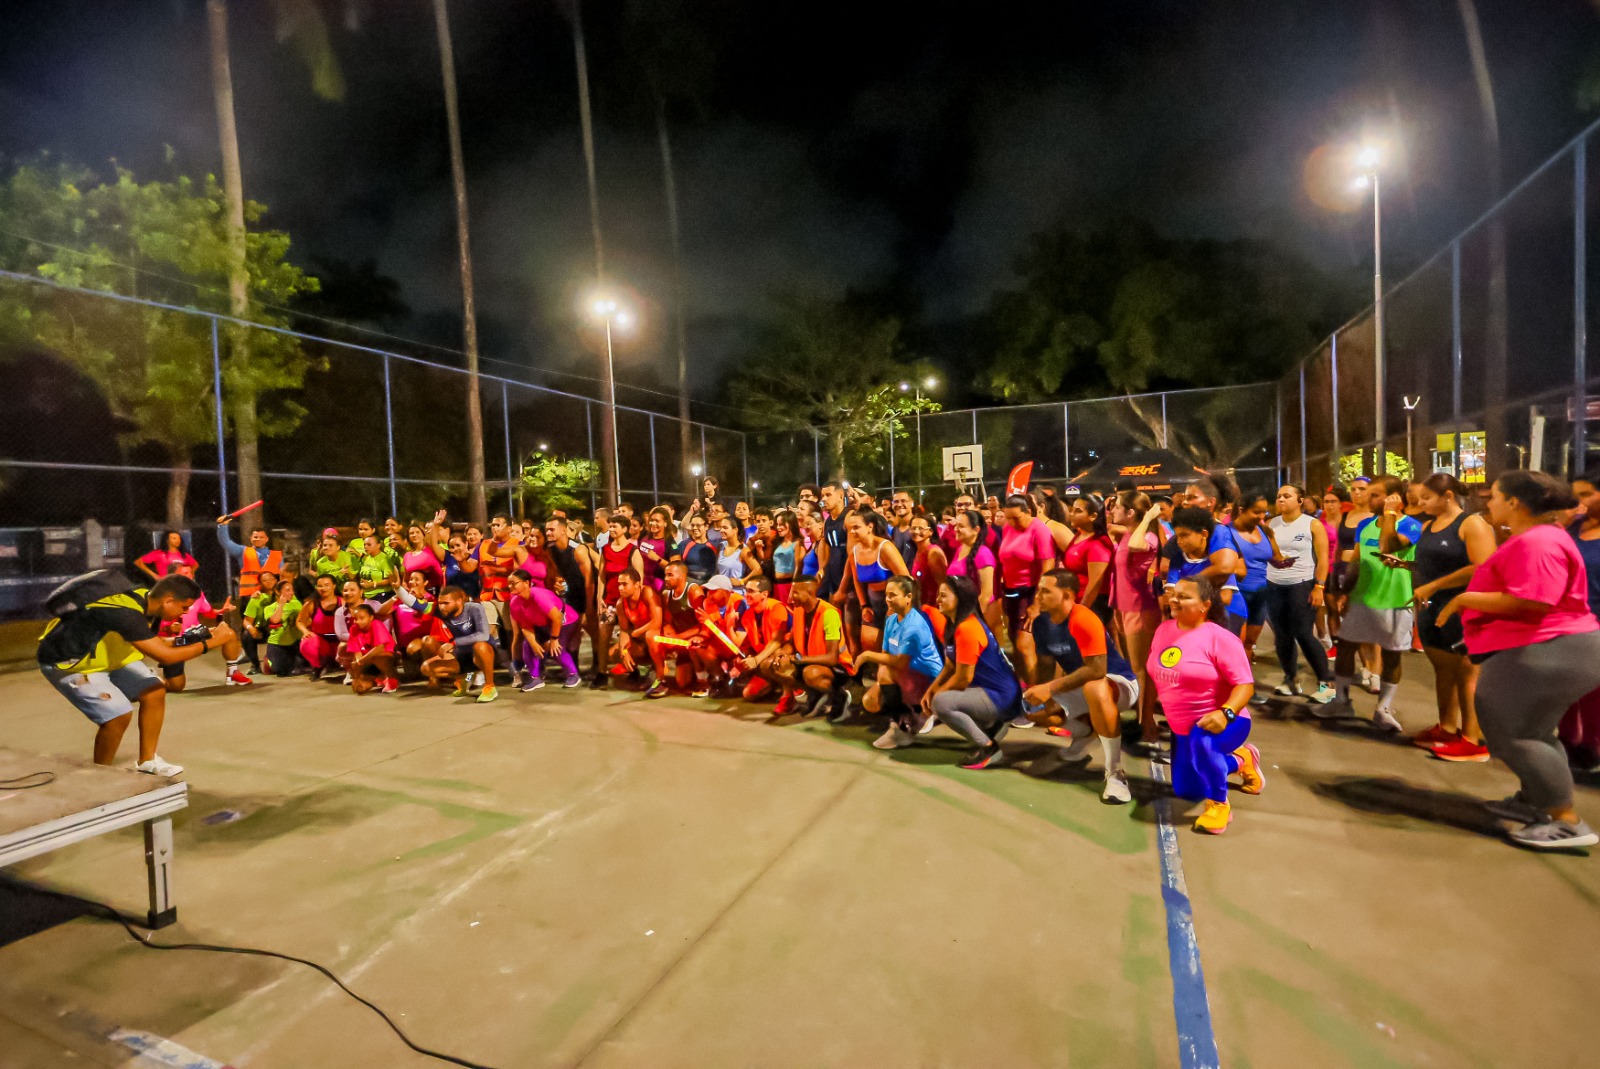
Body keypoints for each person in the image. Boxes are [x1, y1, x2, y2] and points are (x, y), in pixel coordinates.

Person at [1433, 472, 1600, 849]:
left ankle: (1566, 821)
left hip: (1550, 647)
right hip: (1550, 647)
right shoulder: (1539, 536)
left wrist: (1465, 599)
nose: (1488, 503)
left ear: (1515, 503)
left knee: (1516, 735)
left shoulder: (1539, 540)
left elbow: (1534, 601)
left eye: (1494, 496)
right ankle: (1536, 801)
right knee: (1533, 732)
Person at [38, 572, 236, 774]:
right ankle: (100, 775)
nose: (185, 613)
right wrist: (213, 642)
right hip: (71, 663)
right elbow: (166, 656)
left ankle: (147, 762)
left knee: (154, 691)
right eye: (184, 607)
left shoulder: (146, 601)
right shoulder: (125, 613)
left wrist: (201, 637)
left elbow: (156, 642)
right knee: (118, 715)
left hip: (109, 658)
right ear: (168, 601)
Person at [1147, 576, 1263, 834]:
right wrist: (1146, 715)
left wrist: (1225, 713)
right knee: (1187, 790)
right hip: (1182, 728)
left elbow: (1245, 686)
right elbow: (1154, 673)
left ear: (1205, 605)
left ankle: (1219, 805)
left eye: (1184, 596)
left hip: (1225, 721)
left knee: (1204, 743)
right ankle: (1241, 760)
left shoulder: (1220, 639)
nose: (1174, 600)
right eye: (1174, 594)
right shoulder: (1164, 630)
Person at [1023, 569, 1139, 803]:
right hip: (1079, 684)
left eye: (1045, 591)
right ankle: (1086, 733)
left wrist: (1051, 688)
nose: (1038, 596)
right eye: (1038, 591)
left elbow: (1097, 670)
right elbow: (1046, 666)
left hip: (1119, 684)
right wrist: (1041, 694)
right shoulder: (1042, 623)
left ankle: (1115, 773)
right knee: (1031, 710)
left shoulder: (1084, 619)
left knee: (1094, 688)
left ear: (1067, 595)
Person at [1408, 473, 1497, 761]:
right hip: (1432, 607)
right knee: (1443, 669)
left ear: (1447, 496)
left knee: (1467, 674)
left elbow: (1482, 566)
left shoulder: (1471, 524)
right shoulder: (1428, 526)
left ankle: (1473, 739)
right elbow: (1429, 563)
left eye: (1426, 498)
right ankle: (1447, 727)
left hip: (1463, 607)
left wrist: (1435, 585)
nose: (1421, 503)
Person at [1332, 475, 1421, 731]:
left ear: (1393, 497)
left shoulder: (1412, 526)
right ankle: (1341, 701)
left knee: (1392, 657)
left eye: (1374, 495)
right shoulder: (1365, 524)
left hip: (1396, 602)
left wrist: (1391, 514)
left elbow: (1389, 545)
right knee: (1345, 648)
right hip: (1362, 598)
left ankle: (1383, 709)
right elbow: (1357, 560)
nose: (1367, 499)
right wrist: (1345, 591)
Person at [922, 575, 1023, 770]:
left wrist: (936, 695)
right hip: (992, 692)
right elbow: (951, 666)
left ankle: (988, 747)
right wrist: (931, 690)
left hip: (1002, 696)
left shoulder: (968, 628)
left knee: (942, 703)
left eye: (944, 596)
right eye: (938, 595)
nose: (938, 600)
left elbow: (963, 678)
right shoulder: (954, 623)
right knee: (938, 698)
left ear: (960, 598)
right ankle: (992, 726)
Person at [1264, 484, 1336, 704]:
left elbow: (1323, 559)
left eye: (1287, 496)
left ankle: (1326, 683)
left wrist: (1319, 586)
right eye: (1278, 496)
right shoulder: (1270, 524)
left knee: (1303, 633)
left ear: (1300, 500)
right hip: (1274, 585)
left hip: (1302, 585)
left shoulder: (1312, 524)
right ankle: (1291, 679)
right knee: (1282, 635)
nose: (1281, 499)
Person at [856, 574, 945, 749]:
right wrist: (880, 685)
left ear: (908, 597)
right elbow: (885, 654)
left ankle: (910, 720)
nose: (887, 599)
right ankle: (905, 717)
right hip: (906, 676)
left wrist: (866, 656)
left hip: (928, 681)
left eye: (893, 595)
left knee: (886, 673)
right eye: (886, 595)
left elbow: (899, 662)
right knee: (871, 700)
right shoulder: (891, 620)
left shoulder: (915, 625)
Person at [1109, 493, 1165, 744]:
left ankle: (1147, 722)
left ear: (1131, 513)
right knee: (1135, 667)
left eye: (1117, 507)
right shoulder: (1129, 534)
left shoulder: (1146, 537)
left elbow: (1136, 545)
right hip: (1125, 608)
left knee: (1141, 670)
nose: (1113, 511)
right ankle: (1141, 719)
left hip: (1141, 609)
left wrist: (1150, 516)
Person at [1559, 476, 1600, 770]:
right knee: (1564, 684)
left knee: (1593, 688)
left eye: (1586, 494)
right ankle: (1567, 739)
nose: (1579, 501)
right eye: (1574, 496)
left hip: (1595, 620)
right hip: (1565, 619)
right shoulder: (1572, 528)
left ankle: (1591, 745)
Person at [997, 493, 1056, 673]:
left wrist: (1037, 603)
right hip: (1011, 592)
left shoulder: (1039, 530)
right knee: (1014, 640)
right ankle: (1022, 682)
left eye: (1016, 518)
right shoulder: (1008, 528)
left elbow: (1048, 566)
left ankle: (1035, 685)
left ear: (1028, 512)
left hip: (1030, 591)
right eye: (1008, 518)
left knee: (1025, 644)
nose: (1012, 522)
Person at [781, 573, 852, 720]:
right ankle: (815, 693)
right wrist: (783, 654)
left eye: (795, 592)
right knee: (775, 665)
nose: (791, 597)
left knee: (810, 673)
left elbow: (832, 658)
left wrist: (800, 659)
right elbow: (791, 642)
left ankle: (839, 696)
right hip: (809, 662)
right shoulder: (799, 610)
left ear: (810, 593)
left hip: (837, 668)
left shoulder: (829, 614)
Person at [422, 586, 500, 703]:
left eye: (446, 603)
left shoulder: (475, 608)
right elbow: (415, 604)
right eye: (440, 603)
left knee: (480, 646)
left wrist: (454, 643)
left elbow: (483, 635)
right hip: (462, 655)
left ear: (458, 601)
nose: (442, 606)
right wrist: (398, 589)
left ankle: (490, 686)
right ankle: (462, 678)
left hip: (484, 654)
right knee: (426, 667)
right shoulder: (443, 612)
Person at [848, 507, 910, 652]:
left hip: (893, 600)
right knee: (869, 643)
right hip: (873, 601)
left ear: (870, 527)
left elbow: (905, 578)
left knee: (892, 648)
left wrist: (895, 606)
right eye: (850, 528)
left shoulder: (885, 548)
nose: (852, 532)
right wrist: (864, 605)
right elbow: (857, 581)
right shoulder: (854, 552)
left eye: (856, 527)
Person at [508, 568, 580, 690]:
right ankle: (535, 678)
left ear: (526, 583)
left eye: (513, 583)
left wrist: (554, 639)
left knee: (555, 648)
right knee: (527, 645)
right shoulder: (515, 603)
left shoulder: (539, 596)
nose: (510, 586)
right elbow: (525, 626)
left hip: (565, 621)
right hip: (543, 624)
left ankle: (573, 674)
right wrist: (534, 644)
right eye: (509, 584)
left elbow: (557, 618)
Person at [1230, 493, 1281, 662]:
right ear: (1241, 510)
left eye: (1264, 512)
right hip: (1236, 593)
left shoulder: (1265, 531)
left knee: (1249, 643)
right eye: (1256, 512)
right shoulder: (1226, 532)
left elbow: (1277, 558)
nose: (1261, 516)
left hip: (1260, 594)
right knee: (1236, 643)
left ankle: (1246, 677)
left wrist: (1288, 562)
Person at [646, 560, 707, 698]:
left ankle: (703, 680)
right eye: (665, 575)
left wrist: (678, 637)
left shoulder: (694, 591)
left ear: (682, 576)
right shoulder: (666, 595)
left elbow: (703, 626)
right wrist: (669, 633)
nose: (666, 578)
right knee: (651, 636)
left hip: (694, 640)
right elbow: (667, 621)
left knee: (693, 645)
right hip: (680, 641)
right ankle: (661, 679)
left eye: (670, 575)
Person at [545, 517, 593, 680]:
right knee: (571, 633)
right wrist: (555, 583)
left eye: (552, 529)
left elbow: (589, 579)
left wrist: (589, 607)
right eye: (547, 530)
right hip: (568, 595)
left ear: (564, 531)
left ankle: (598, 668)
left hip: (584, 593)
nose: (548, 533)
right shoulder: (550, 549)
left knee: (592, 631)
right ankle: (573, 668)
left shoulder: (578, 549)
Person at [1060, 493, 1115, 625]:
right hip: (1076, 600)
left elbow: (1095, 584)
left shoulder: (1098, 543)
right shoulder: (1079, 536)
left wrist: (1082, 610)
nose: (1071, 514)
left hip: (1094, 604)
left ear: (1093, 516)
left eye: (1078, 511)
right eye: (1072, 510)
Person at [602, 569, 661, 687]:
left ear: (637, 584)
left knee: (650, 636)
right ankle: (633, 670)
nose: (620, 588)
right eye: (619, 584)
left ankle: (657, 669)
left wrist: (636, 633)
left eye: (625, 584)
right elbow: (624, 630)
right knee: (613, 653)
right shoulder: (620, 603)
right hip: (639, 639)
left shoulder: (647, 593)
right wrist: (624, 652)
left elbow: (657, 621)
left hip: (656, 637)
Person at [946, 509, 1000, 636]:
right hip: (961, 612)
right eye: (956, 525)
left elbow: (986, 593)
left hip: (978, 614)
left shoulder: (983, 554)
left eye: (961, 526)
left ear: (976, 530)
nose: (956, 529)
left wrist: (972, 617)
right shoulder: (961, 549)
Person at [215, 514, 283, 603]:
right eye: (255, 537)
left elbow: (283, 577)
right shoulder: (243, 551)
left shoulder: (277, 555)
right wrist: (222, 526)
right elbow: (226, 543)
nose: (258, 539)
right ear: (250, 538)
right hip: (249, 597)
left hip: (272, 597)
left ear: (267, 539)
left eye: (261, 537)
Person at [296, 575, 344, 680]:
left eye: (327, 585)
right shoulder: (311, 604)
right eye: (320, 586)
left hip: (340, 641)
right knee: (307, 642)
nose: (323, 588)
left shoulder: (343, 602)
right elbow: (299, 621)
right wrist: (305, 632)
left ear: (334, 586)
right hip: (322, 641)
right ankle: (317, 666)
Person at [344, 602, 399, 694]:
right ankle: (378, 679)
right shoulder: (353, 629)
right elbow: (356, 652)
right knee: (358, 687)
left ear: (371, 617)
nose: (357, 621)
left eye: (362, 618)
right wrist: (357, 672)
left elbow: (380, 648)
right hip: (368, 660)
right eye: (355, 619)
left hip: (386, 657)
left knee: (379, 657)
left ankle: (392, 680)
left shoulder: (376, 624)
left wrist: (361, 660)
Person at [259, 578, 305, 676]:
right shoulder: (269, 608)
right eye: (288, 590)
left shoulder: (296, 604)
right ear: (278, 592)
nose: (291, 593)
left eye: (292, 590)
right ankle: (268, 661)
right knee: (279, 670)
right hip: (278, 643)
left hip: (294, 642)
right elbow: (275, 620)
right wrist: (281, 604)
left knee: (299, 667)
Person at [908, 514, 948, 608]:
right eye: (913, 528)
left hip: (933, 607)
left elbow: (942, 584)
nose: (916, 531)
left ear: (931, 531)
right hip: (922, 605)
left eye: (921, 528)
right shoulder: (918, 551)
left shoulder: (933, 553)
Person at [770, 510, 803, 603]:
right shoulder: (778, 542)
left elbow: (798, 567)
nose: (778, 527)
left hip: (788, 585)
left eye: (781, 524)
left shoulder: (797, 543)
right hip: (776, 585)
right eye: (777, 524)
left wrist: (793, 588)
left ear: (790, 524)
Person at [356, 534, 400, 600]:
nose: (365, 547)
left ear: (378, 545)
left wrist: (373, 584)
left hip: (380, 596)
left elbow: (390, 580)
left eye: (369, 545)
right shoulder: (367, 558)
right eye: (364, 544)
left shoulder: (384, 559)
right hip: (366, 595)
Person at [680, 514, 719, 584]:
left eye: (698, 525)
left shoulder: (714, 545)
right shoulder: (684, 544)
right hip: (689, 582)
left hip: (709, 583)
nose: (695, 528)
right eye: (692, 525)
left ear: (706, 527)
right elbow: (677, 565)